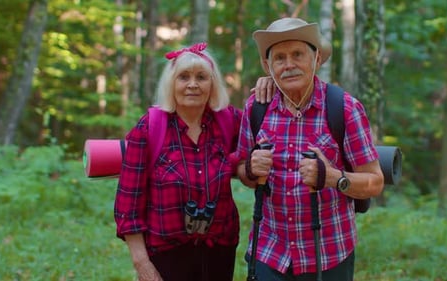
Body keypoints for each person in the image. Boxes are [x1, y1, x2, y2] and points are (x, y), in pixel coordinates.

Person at [235, 18, 385, 281]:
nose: (289, 64)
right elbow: (244, 173)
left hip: (328, 253)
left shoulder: (345, 109)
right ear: (267, 66)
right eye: (279, 58)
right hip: (269, 251)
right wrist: (248, 168)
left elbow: (375, 182)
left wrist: (333, 177)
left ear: (316, 60)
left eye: (297, 55)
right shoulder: (256, 107)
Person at [113, 42, 274, 281]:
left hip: (218, 251)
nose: (193, 84)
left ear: (212, 84)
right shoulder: (150, 128)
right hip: (167, 254)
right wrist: (142, 263)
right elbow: (128, 203)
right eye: (183, 77)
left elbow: (270, 124)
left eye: (201, 77)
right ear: (171, 84)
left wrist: (271, 83)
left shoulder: (227, 121)